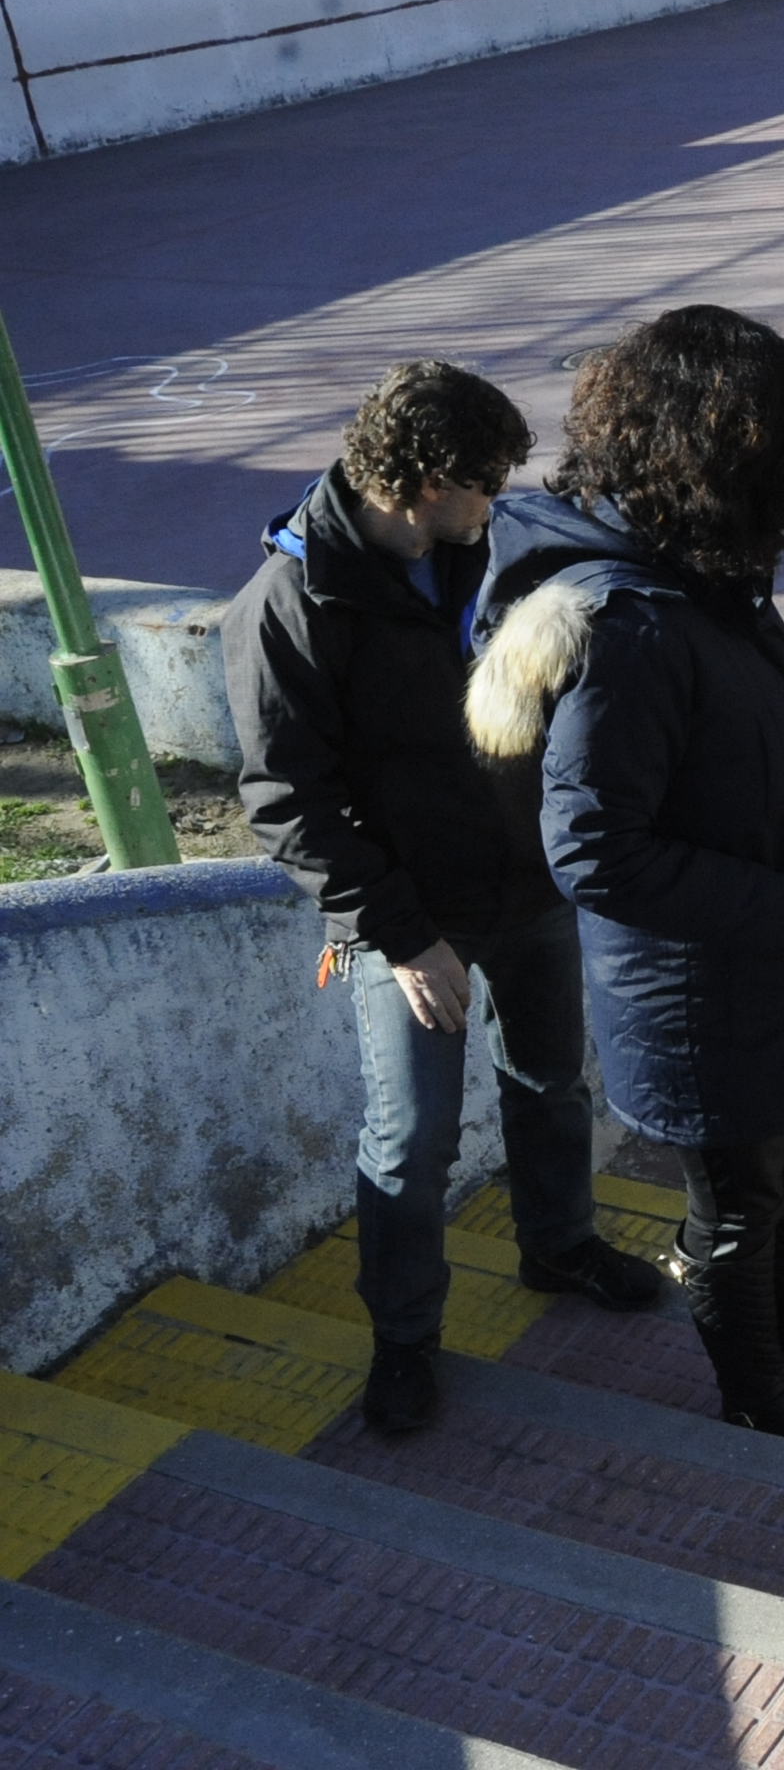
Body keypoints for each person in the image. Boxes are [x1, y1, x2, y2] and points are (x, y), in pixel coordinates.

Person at [466, 305, 784, 1455]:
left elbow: (720, 695)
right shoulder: (625, 624)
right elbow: (593, 848)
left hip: (777, 968)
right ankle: (759, 1399)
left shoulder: (687, 568)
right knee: (739, 1210)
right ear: (720, 467)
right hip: (712, 994)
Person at [224, 361, 663, 1435]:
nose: (502, 498)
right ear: (426, 482)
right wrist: (402, 937)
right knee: (412, 1140)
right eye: (487, 480)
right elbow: (287, 802)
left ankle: (558, 1248)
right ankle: (406, 1340)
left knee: (551, 1082)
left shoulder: (490, 547)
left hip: (528, 883)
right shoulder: (286, 606)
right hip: (408, 921)